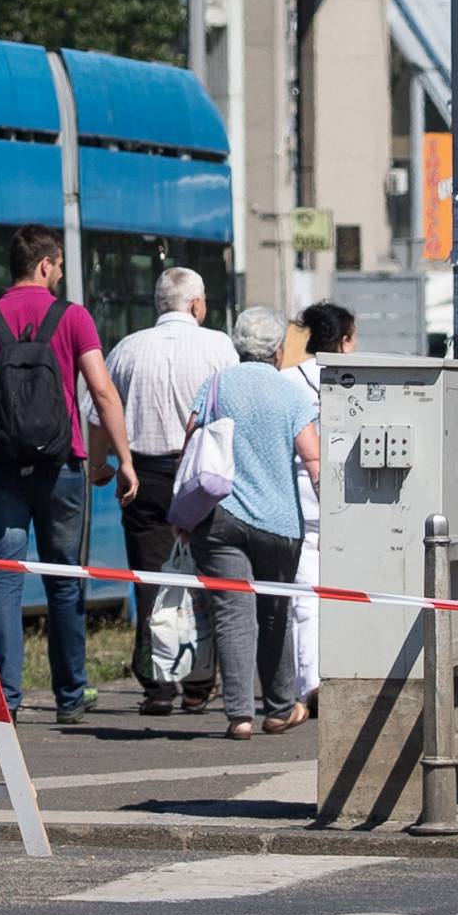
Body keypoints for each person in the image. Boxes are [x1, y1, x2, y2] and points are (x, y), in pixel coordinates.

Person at [0, 225, 138, 726]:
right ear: (45, 265)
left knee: (4, 580)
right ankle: (70, 695)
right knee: (63, 580)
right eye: (57, 267)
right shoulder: (72, 318)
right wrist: (124, 459)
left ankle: (5, 698)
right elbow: (102, 392)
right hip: (62, 468)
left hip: (3, 469)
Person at [94, 267, 237, 717]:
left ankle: (158, 686)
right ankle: (198, 683)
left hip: (145, 476)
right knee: (206, 575)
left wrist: (102, 465)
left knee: (151, 581)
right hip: (202, 476)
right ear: (196, 305)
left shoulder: (127, 349)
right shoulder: (218, 346)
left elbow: (100, 410)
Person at [187, 304, 320, 740]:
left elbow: (190, 441)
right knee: (274, 612)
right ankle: (280, 709)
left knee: (232, 614)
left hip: (219, 516)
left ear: (237, 344)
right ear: (279, 350)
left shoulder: (215, 385)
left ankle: (239, 716)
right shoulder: (292, 393)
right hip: (279, 524)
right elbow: (313, 459)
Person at [284, 300, 356, 718]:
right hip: (352, 497)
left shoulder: (287, 379)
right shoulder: (358, 379)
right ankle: (351, 672)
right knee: (354, 592)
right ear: (343, 340)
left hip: (301, 498)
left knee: (305, 598)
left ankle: (307, 683)